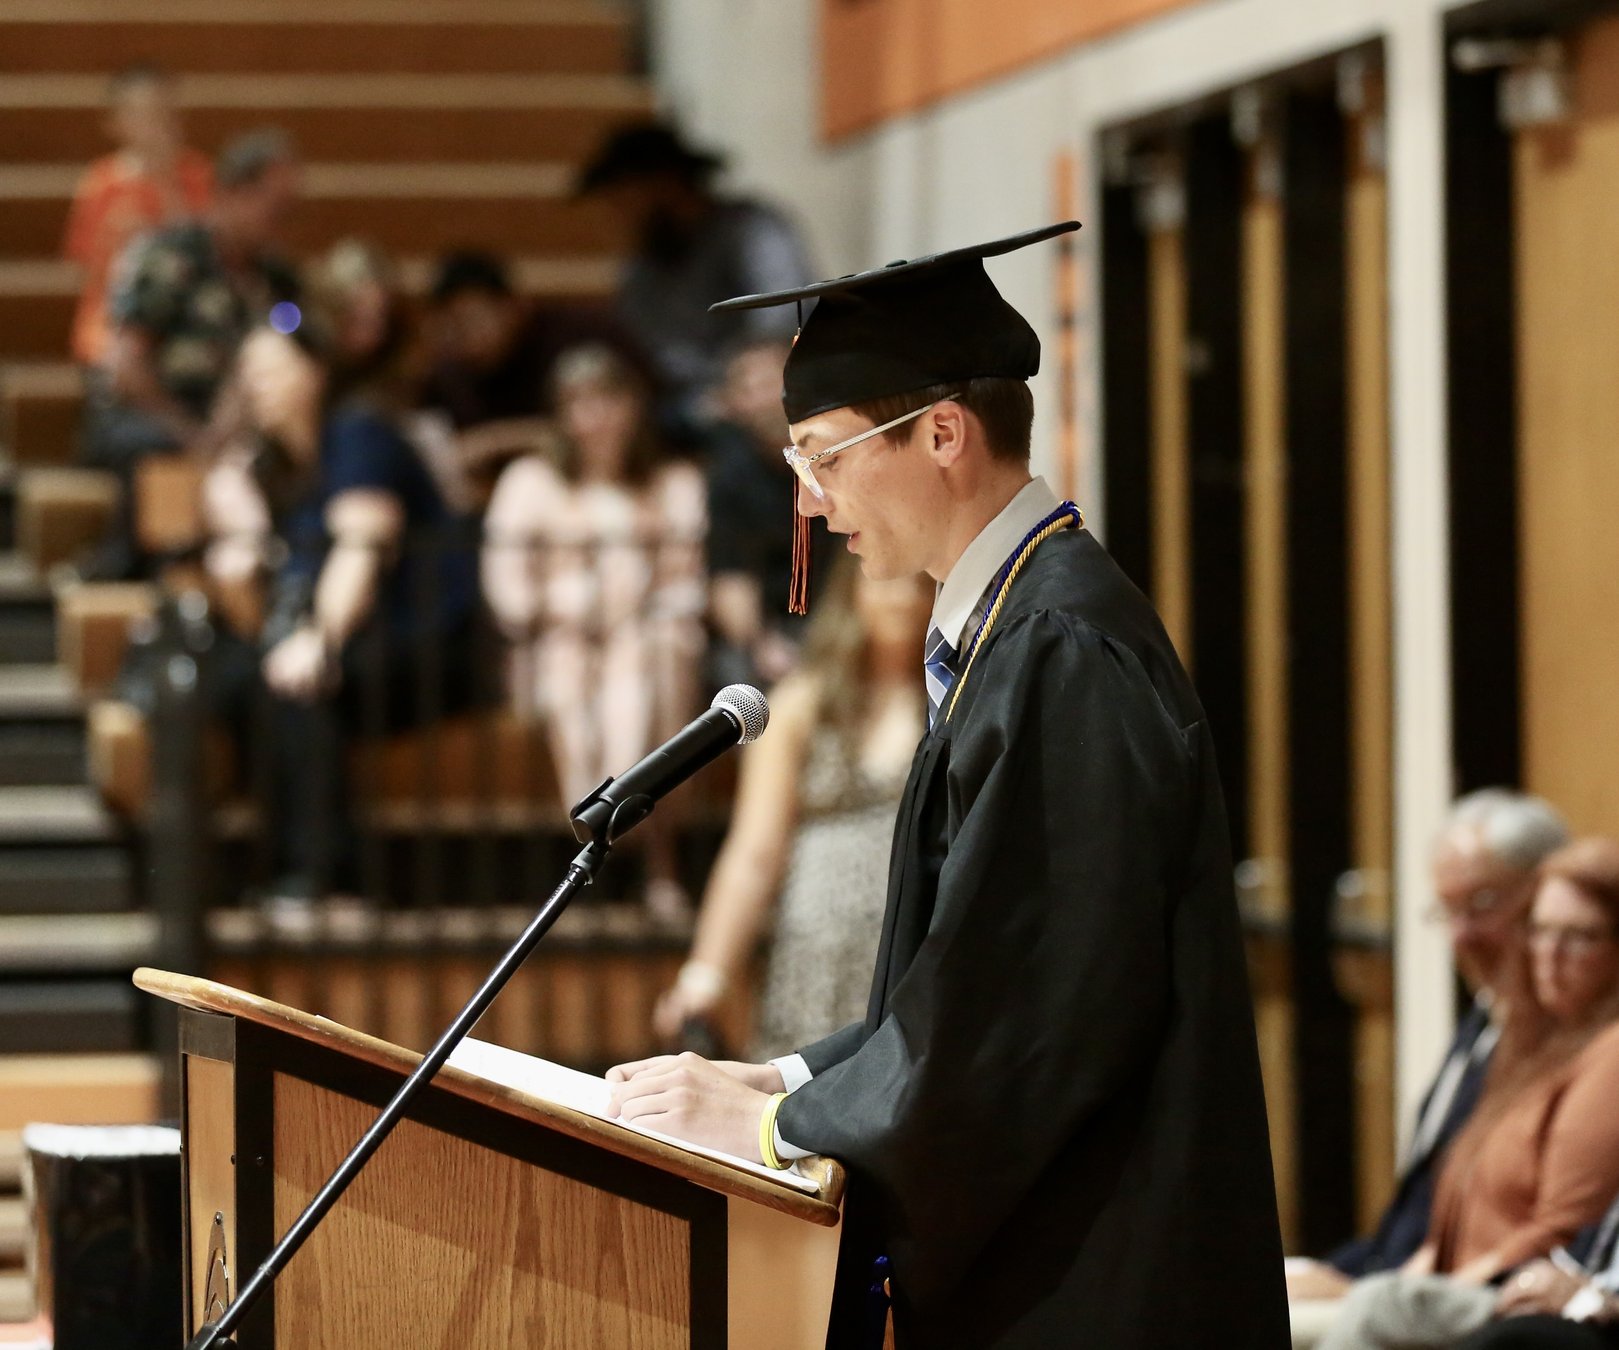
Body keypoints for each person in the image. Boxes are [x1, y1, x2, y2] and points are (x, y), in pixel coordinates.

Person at [604, 222, 1289, 1347]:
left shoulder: (1062, 648)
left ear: (939, 433)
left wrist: (784, 1127)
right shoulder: (1016, 626)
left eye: (821, 455)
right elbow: (958, 987)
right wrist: (775, 1080)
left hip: (1099, 1289)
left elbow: (1024, 1022)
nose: (811, 503)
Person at [210, 294, 479, 905]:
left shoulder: (359, 432)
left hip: (432, 639)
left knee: (305, 687)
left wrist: (320, 641)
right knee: (243, 682)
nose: (259, 387)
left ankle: (333, 884)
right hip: (363, 641)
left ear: (315, 372)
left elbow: (362, 550)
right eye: (249, 375)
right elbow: (260, 607)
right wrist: (241, 528)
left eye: (273, 370)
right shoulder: (273, 470)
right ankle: (281, 871)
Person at [1320, 838, 1619, 1350]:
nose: (1549, 955)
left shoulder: (1611, 1053)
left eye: (1579, 937)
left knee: (1379, 1307)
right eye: (1541, 931)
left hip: (1515, 1293)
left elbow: (1559, 1228)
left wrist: (1409, 1291)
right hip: (1455, 1282)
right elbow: (1446, 1210)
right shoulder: (1525, 1039)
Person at [1289, 790, 1569, 1305]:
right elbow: (1413, 1217)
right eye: (1448, 911)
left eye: (1482, 904)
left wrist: (1360, 1292)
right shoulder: (1484, 1021)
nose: (1462, 938)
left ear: (1548, 896)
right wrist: (1330, 1275)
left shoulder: (1574, 1051)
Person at [654, 558, 931, 1059]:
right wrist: (706, 973)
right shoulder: (803, 703)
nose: (902, 598)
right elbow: (753, 855)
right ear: (852, 593)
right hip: (813, 966)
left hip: (914, 961)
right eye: (887, 582)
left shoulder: (955, 698)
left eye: (917, 585)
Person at [481, 342, 705, 915]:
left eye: (608, 400)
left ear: (633, 406)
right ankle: (588, 856)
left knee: (644, 673)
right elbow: (506, 584)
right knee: (570, 688)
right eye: (579, 403)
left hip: (643, 635)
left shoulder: (673, 479)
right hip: (560, 638)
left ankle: (651, 861)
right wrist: (560, 608)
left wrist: (633, 614)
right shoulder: (530, 480)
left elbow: (685, 584)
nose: (595, 417)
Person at [83, 128, 300, 579]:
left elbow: (292, 349)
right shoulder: (169, 255)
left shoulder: (277, 279)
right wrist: (195, 437)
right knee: (154, 449)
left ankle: (263, 575)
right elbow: (126, 368)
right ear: (232, 192)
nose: (282, 222)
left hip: (236, 426)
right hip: (154, 417)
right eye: (274, 207)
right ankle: (140, 573)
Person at [576, 121, 813, 428]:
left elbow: (786, 313)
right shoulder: (638, 274)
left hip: (773, 392)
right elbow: (653, 357)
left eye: (624, 200)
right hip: (684, 411)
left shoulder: (751, 230)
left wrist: (740, 384)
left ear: (663, 185)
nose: (619, 216)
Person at [703, 336, 834, 689]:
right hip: (770, 632)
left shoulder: (837, 454)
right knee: (736, 676)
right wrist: (762, 644)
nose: (766, 398)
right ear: (735, 404)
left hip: (841, 618)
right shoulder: (729, 476)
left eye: (773, 382)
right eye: (751, 389)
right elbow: (730, 579)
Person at [62, 65, 213, 369]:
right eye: (144, 114)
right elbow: (85, 267)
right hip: (113, 324)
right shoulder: (100, 184)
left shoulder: (199, 175)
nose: (157, 125)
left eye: (165, 113)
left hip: (184, 319)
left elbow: (210, 254)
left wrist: (167, 184)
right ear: (115, 122)